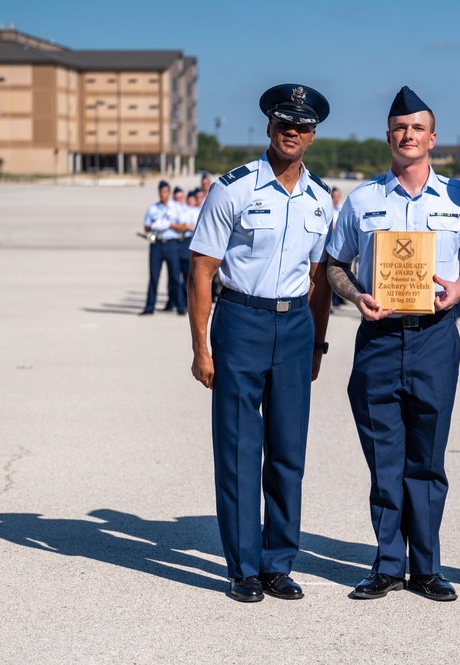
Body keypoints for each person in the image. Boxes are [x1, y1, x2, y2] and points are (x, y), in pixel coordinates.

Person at [327, 86, 460, 602]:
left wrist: (459, 289)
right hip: (378, 338)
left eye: (418, 128)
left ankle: (427, 568)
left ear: (433, 137)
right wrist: (356, 296)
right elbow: (333, 264)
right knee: (384, 459)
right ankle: (387, 564)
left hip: (435, 339)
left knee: (428, 459)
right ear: (388, 135)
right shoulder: (363, 200)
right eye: (400, 127)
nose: (408, 135)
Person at [187, 83, 334, 603]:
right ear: (269, 128)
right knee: (238, 450)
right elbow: (202, 269)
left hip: (294, 328)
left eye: (302, 127)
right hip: (241, 321)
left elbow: (318, 280)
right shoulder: (234, 188)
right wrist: (201, 347)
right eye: (283, 124)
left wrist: (318, 343)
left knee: (288, 450)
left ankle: (278, 563)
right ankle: (244, 567)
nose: (291, 133)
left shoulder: (321, 199)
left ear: (313, 135)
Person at [140, 181, 185, 315]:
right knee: (154, 277)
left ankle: (180, 306)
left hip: (171, 243)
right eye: (160, 191)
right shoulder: (153, 208)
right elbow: (146, 227)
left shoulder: (176, 207)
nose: (162, 194)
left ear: (169, 192)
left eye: (165, 191)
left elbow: (183, 226)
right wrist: (154, 226)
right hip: (157, 244)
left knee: (175, 277)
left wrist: (169, 224)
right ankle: (149, 307)